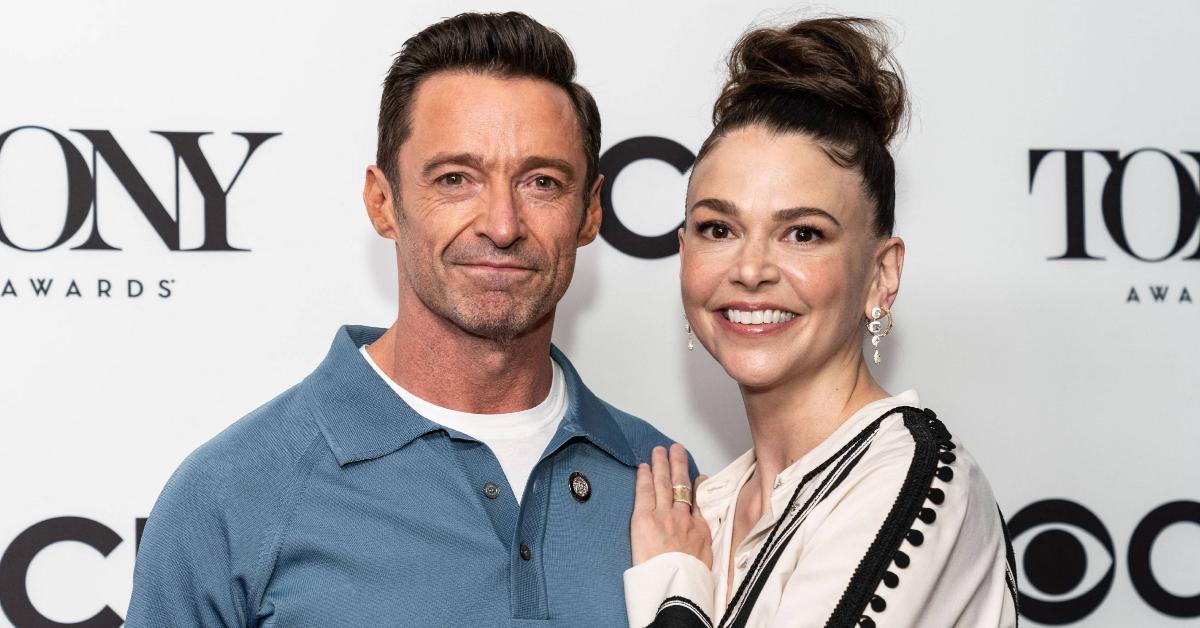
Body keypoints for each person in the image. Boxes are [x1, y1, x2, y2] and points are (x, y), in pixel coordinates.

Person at [126, 12, 692, 627]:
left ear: (588, 213)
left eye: (542, 182)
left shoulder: (672, 489)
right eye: (455, 178)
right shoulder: (234, 493)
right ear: (383, 201)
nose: (502, 225)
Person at [624, 17, 1019, 628]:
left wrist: (674, 588)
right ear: (685, 257)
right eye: (718, 229)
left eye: (803, 233)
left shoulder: (918, 479)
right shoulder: (709, 506)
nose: (750, 269)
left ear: (881, 276)